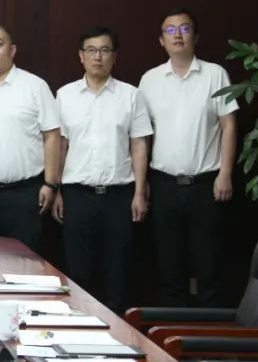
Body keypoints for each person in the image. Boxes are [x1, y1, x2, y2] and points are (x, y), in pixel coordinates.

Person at [139, 9, 237, 306]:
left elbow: (229, 126)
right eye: (170, 30)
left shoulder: (215, 74)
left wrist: (225, 174)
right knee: (169, 265)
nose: (178, 35)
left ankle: (210, 333)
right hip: (164, 185)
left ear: (196, 36)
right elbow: (141, 135)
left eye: (185, 28)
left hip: (206, 185)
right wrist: (141, 185)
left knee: (209, 264)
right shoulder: (150, 80)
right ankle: (172, 331)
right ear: (161, 40)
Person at [53, 26, 152, 311]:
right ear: (81, 56)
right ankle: (79, 325)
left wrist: (139, 193)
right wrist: (57, 190)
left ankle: (117, 330)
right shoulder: (65, 95)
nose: (98, 56)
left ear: (114, 56)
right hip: (77, 194)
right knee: (78, 271)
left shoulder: (131, 95)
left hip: (119, 196)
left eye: (105, 50)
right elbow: (61, 145)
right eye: (92, 50)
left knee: (117, 271)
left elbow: (139, 144)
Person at [0, 25, 60, 252]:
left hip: (26, 194)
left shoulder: (35, 86)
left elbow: (52, 136)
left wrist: (50, 183)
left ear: (12, 50)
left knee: (26, 261)